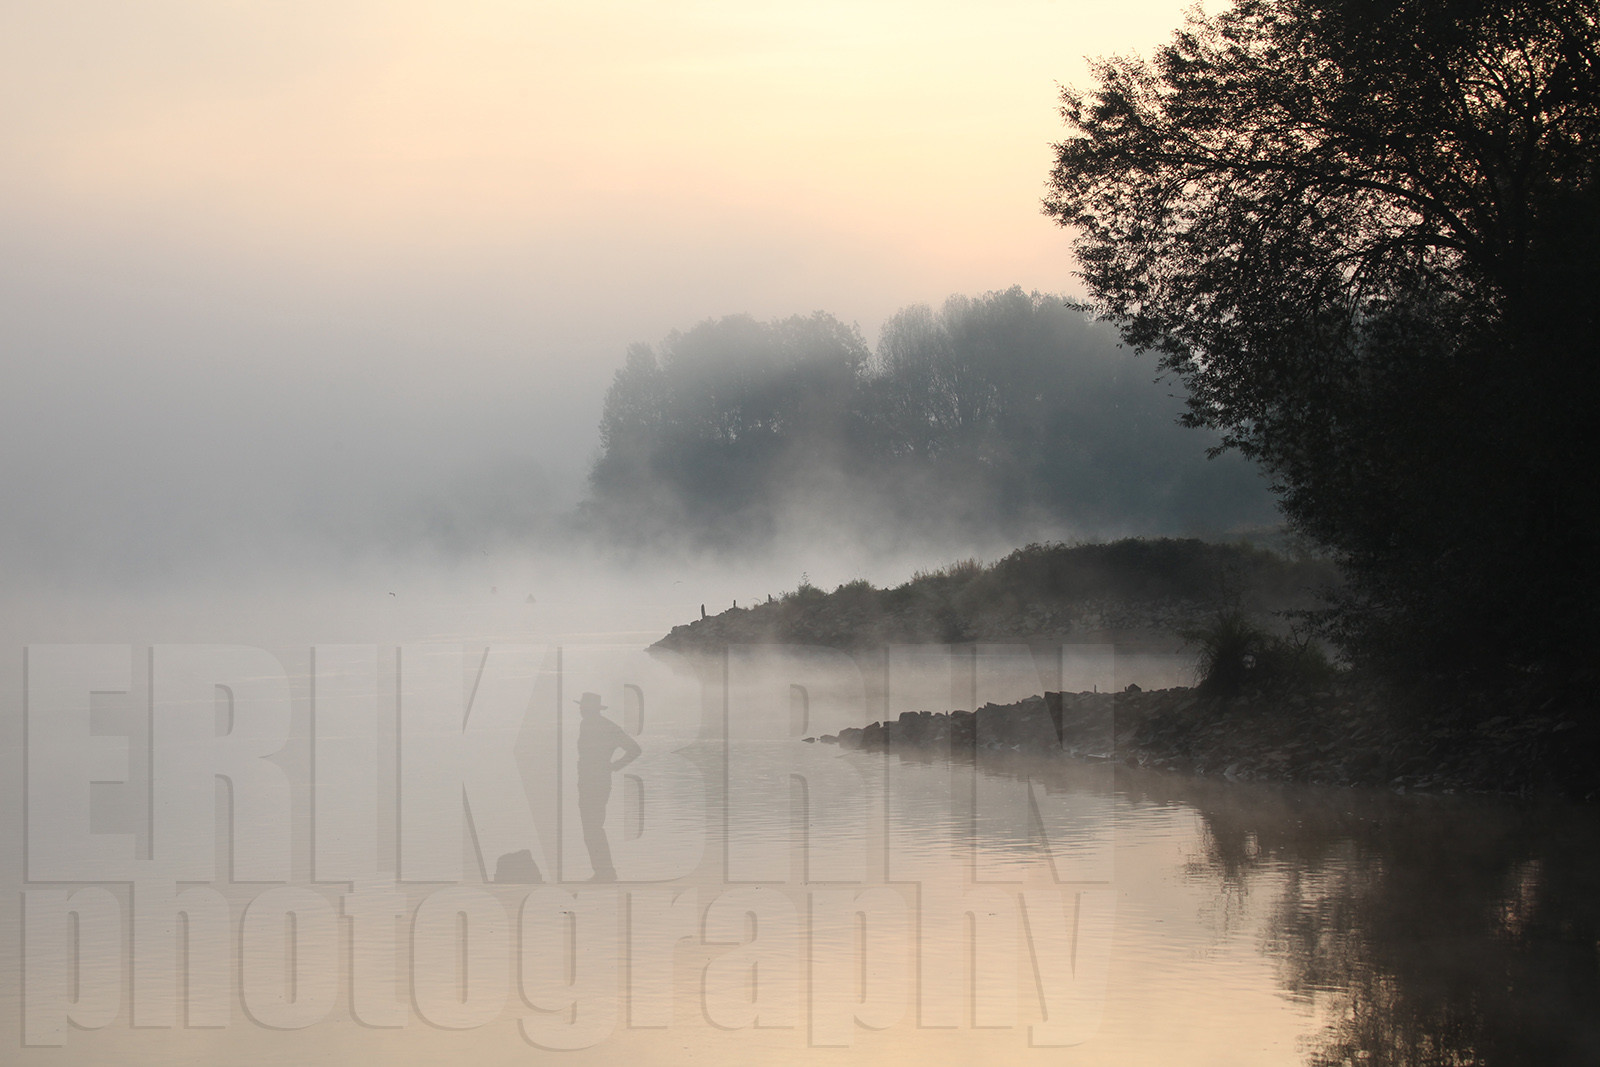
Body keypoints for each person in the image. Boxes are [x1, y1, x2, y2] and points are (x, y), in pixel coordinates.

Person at [573, 691, 641, 882]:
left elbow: (635, 749)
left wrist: (613, 766)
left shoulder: (607, 727)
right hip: (587, 782)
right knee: (591, 828)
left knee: (593, 827)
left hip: (597, 783)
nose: (581, 710)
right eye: (581, 707)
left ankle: (605, 873)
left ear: (591, 709)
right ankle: (602, 872)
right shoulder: (586, 724)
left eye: (583, 707)